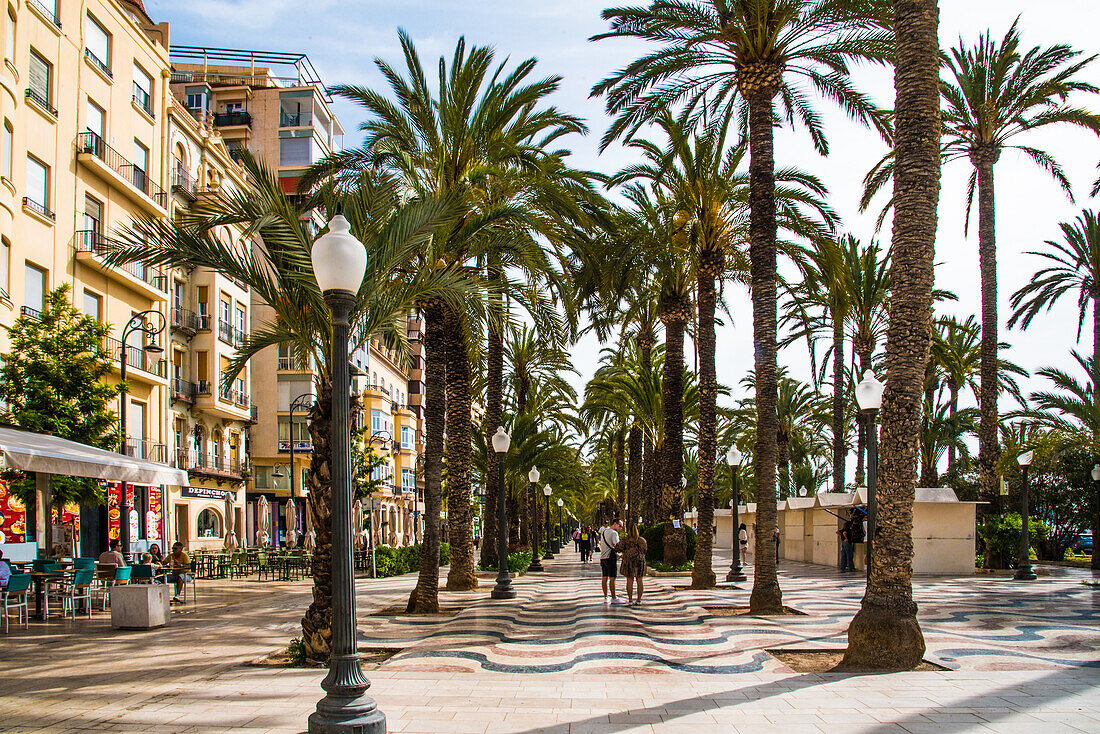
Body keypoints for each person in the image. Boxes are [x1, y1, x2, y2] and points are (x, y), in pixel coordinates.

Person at [616, 524, 647, 606]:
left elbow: (617, 548)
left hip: (629, 561)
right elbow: (645, 550)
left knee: (629, 580)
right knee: (639, 580)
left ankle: (630, 600)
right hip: (640, 561)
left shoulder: (625, 540)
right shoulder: (641, 540)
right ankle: (639, 600)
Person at [598, 518, 624, 604]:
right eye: (620, 526)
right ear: (615, 524)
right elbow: (617, 545)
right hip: (610, 558)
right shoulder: (614, 533)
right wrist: (622, 553)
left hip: (603, 557)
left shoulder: (604, 531)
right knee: (612, 578)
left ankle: (606, 597)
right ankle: (614, 597)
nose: (620, 528)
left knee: (604, 577)